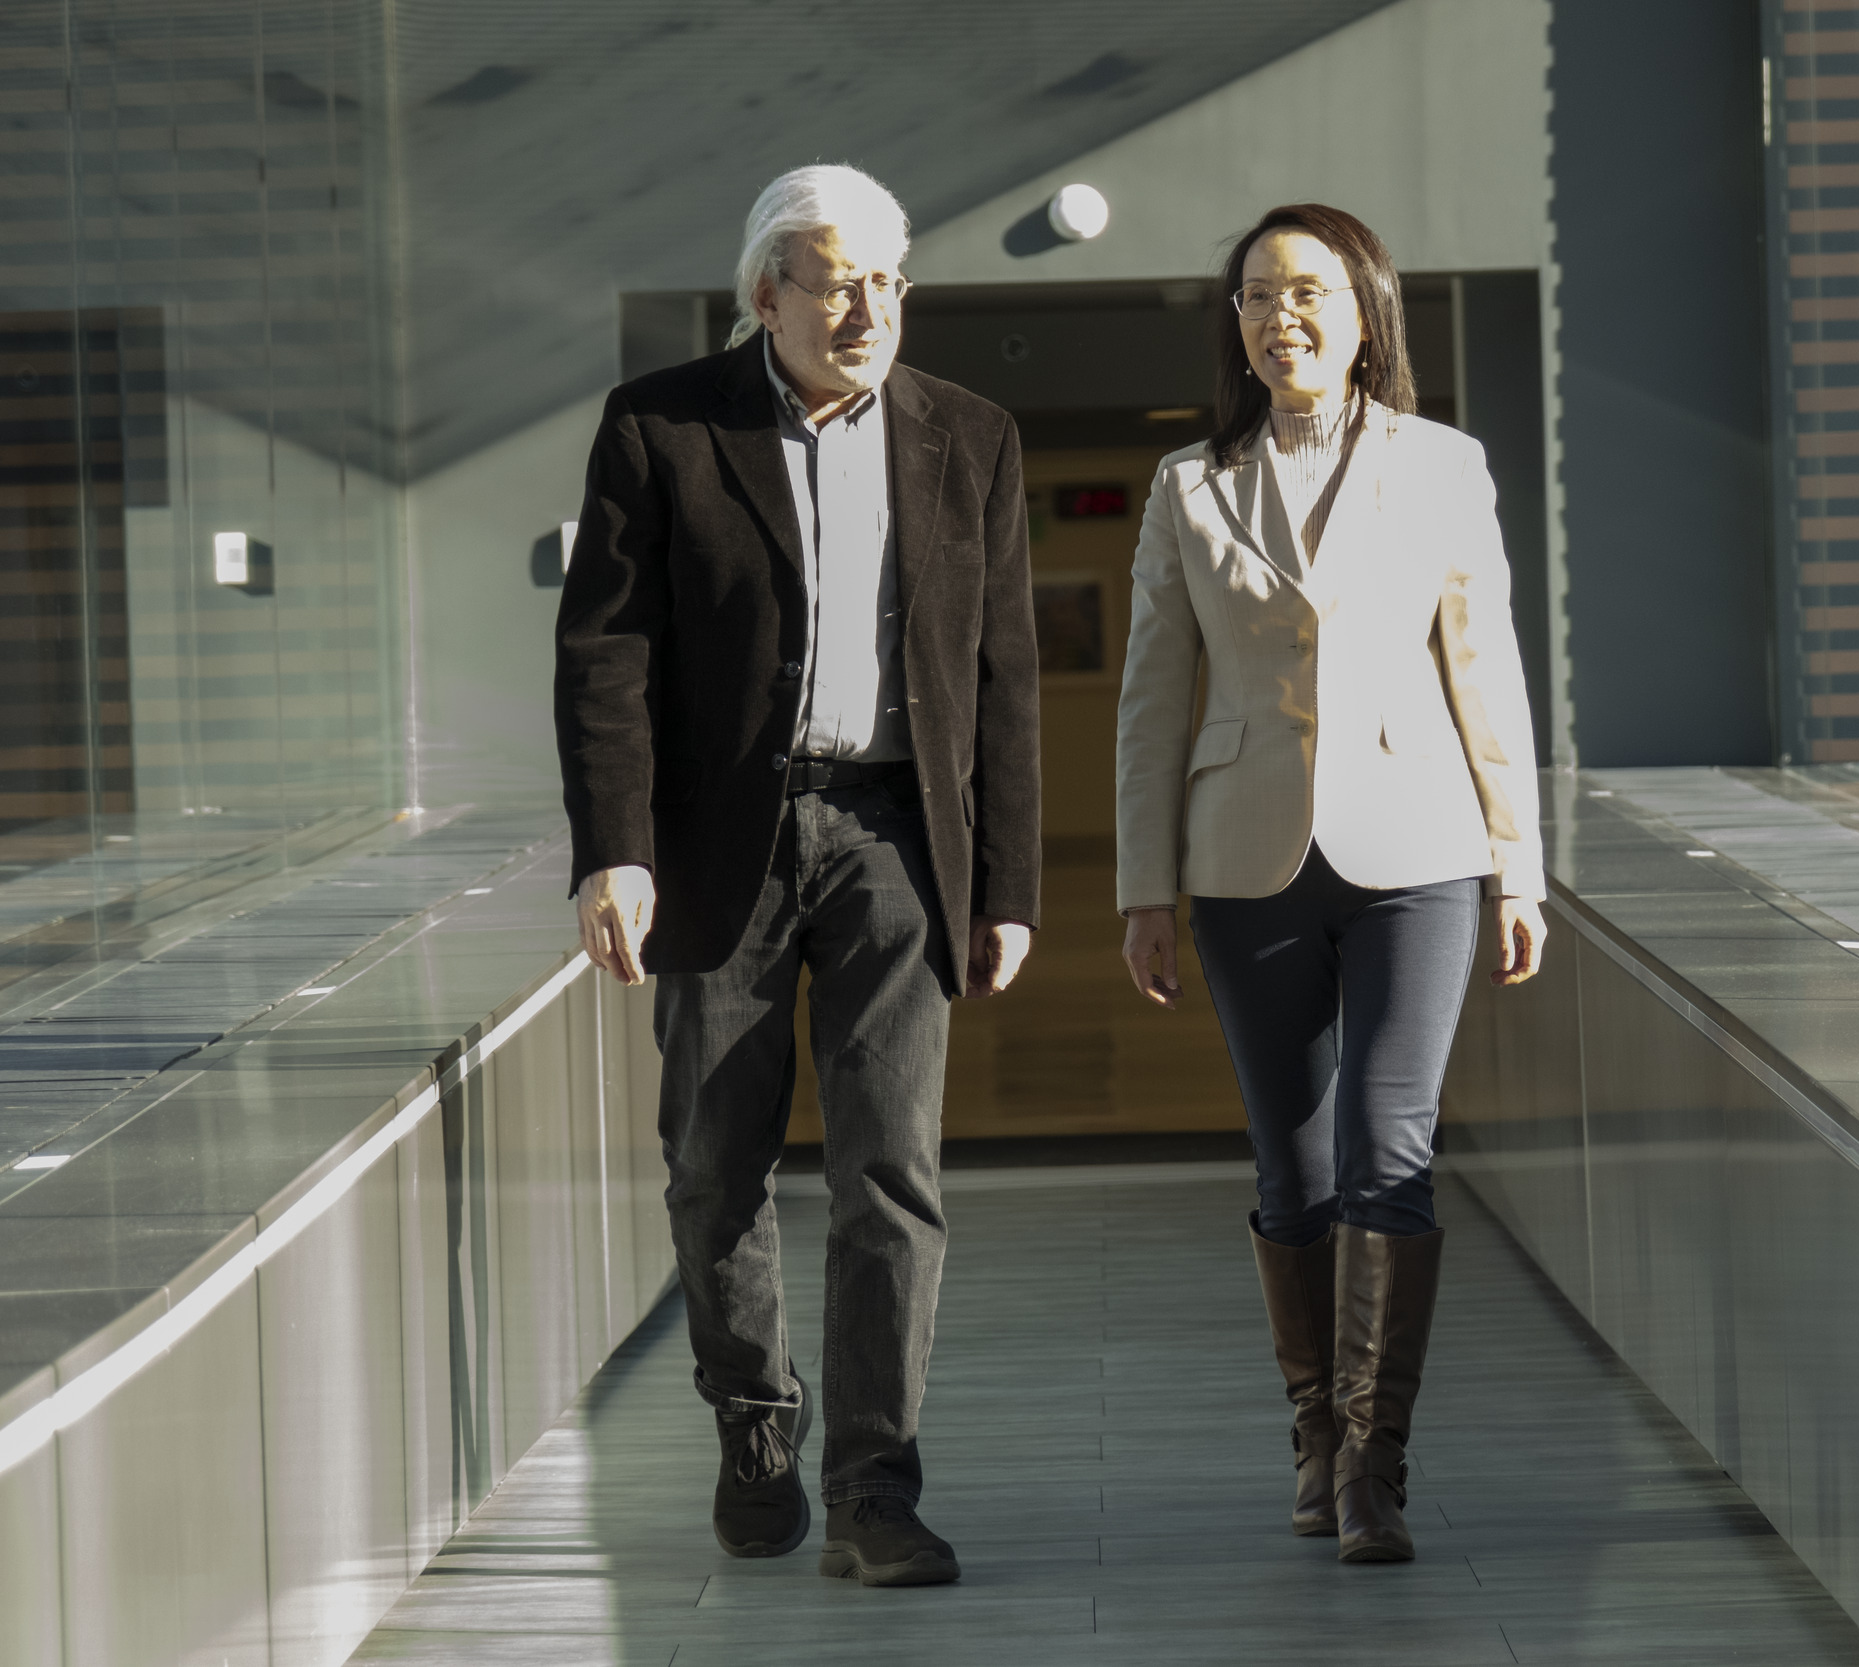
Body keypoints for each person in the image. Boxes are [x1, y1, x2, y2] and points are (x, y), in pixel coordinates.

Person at [553, 163, 1041, 1589]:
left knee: (892, 1171)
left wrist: (1004, 883)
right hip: (722, 846)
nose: (863, 306)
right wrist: (615, 855)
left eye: (885, 279)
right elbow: (607, 657)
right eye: (831, 279)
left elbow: (1004, 675)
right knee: (716, 1162)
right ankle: (755, 1422)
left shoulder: (973, 436)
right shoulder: (661, 426)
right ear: (764, 293)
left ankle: (876, 1490)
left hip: (896, 836)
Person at [1113, 204, 1546, 1564]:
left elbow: (1486, 675)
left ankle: (1376, 1465)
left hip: (1421, 849)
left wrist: (1517, 866)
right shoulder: (1188, 485)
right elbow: (1148, 698)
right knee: (1292, 1163)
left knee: (1389, 1147)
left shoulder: (1443, 468)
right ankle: (1315, 1426)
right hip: (1247, 862)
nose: (1277, 316)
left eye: (1305, 291)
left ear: (1366, 312)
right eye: (1253, 297)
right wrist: (1140, 886)